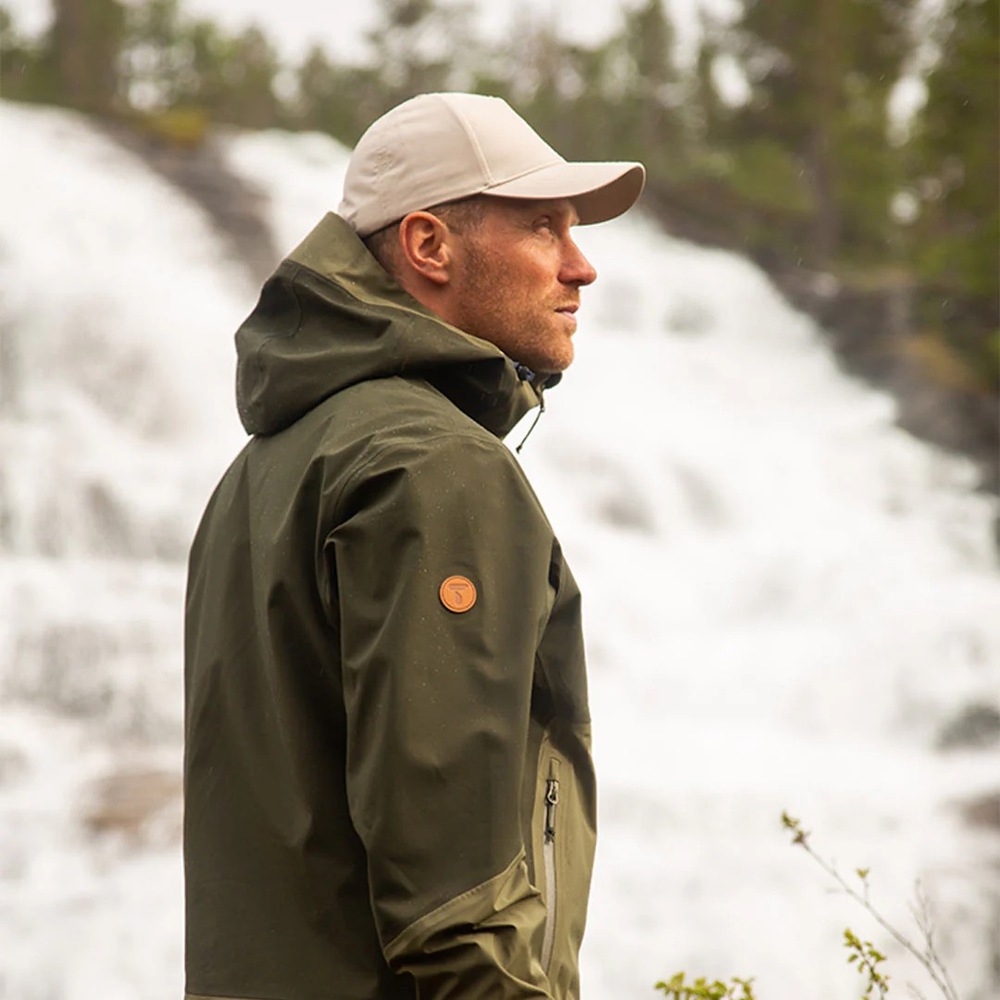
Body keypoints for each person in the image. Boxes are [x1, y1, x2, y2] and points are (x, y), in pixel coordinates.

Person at [183, 92, 645, 1000]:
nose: (582, 265)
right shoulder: (435, 464)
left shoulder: (265, 468)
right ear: (430, 246)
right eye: (544, 228)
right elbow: (457, 907)